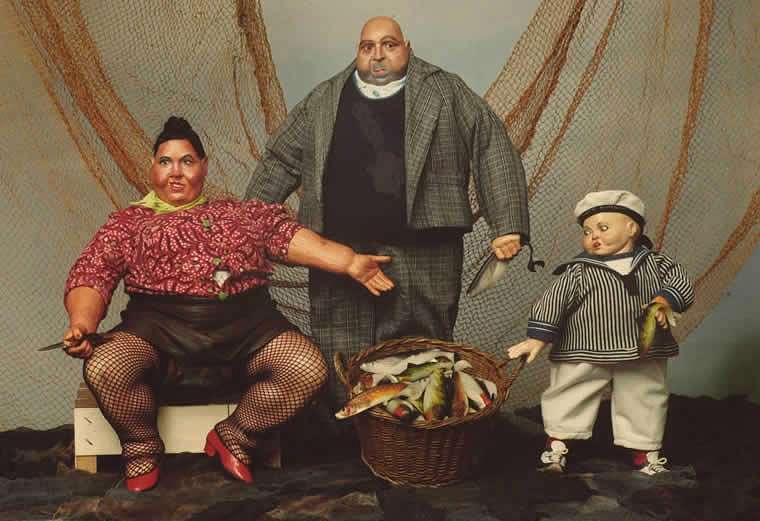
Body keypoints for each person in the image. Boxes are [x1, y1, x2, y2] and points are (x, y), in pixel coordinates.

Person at [63, 116, 394, 492]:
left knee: (306, 368)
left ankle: (236, 435)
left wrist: (349, 261)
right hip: (158, 332)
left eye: (187, 161)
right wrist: (82, 323)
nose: (176, 172)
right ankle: (141, 447)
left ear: (204, 167)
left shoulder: (240, 213)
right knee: (105, 366)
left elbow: (288, 236)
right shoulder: (127, 224)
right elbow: (93, 273)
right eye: (165, 162)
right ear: (152, 168)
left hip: (246, 330)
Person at [247, 16, 530, 371]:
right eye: (368, 47)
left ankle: (417, 410)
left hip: (425, 248)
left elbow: (491, 146)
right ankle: (351, 410)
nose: (378, 55)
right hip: (340, 250)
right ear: (358, 52)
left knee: (422, 356)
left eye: (389, 45)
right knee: (341, 355)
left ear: (407, 48)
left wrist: (507, 224)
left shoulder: (444, 90)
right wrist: (245, 228)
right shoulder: (324, 98)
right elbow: (280, 160)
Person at [507, 190, 694, 475]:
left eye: (603, 228)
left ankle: (645, 451)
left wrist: (665, 300)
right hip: (583, 347)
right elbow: (553, 301)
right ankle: (557, 444)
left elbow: (680, 281)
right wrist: (538, 338)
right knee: (569, 393)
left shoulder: (655, 264)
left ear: (631, 228)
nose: (593, 235)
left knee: (644, 395)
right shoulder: (579, 271)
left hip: (642, 349)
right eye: (587, 231)